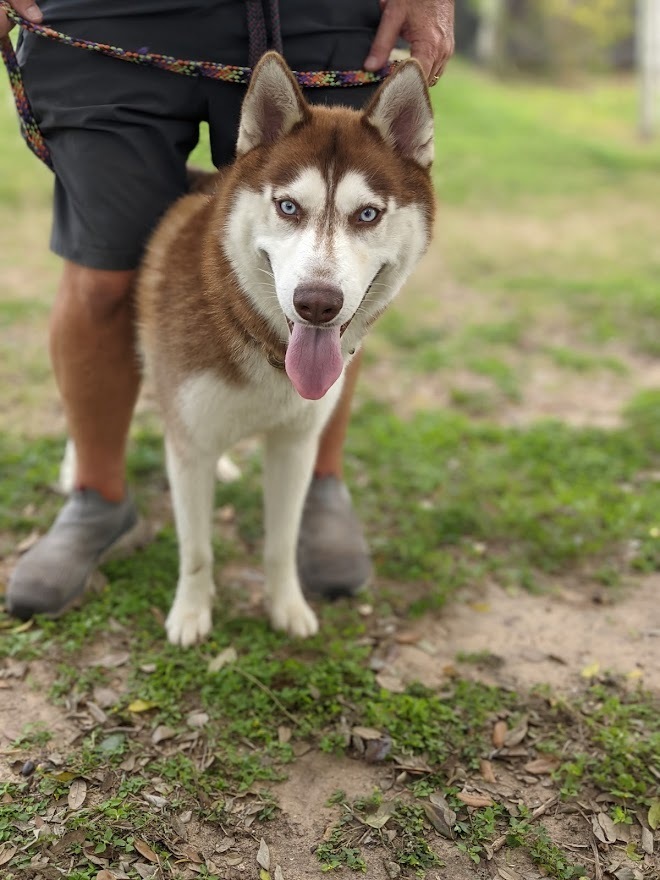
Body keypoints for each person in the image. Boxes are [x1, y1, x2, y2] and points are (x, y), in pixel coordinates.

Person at [2, 0, 454, 621]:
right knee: (102, 274)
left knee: (338, 295)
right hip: (102, 14)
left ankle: (319, 485)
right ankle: (96, 494)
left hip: (315, 11)